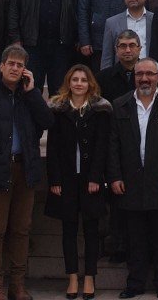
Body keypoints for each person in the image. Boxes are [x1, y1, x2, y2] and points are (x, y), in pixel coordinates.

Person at [0, 45, 54, 300]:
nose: (15, 68)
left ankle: (17, 284)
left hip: (25, 169)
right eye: (11, 64)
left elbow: (48, 122)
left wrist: (33, 92)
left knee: (21, 229)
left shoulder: (29, 95)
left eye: (20, 65)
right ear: (1, 66)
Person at [108, 58, 158, 300]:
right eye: (140, 74)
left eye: (150, 74)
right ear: (134, 77)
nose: (144, 78)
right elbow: (112, 145)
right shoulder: (120, 105)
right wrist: (114, 176)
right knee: (135, 239)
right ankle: (135, 284)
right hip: (130, 183)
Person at [46, 65, 112, 300]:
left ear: (90, 83)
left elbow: (102, 147)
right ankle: (72, 276)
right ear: (68, 82)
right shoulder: (58, 109)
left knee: (92, 229)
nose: (79, 83)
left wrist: (96, 177)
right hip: (65, 179)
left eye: (83, 80)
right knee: (69, 229)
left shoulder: (100, 109)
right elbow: (52, 147)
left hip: (90, 179)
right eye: (74, 79)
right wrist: (54, 179)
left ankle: (90, 277)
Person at [95, 30, 144, 263]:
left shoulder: (147, 76)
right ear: (115, 50)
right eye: (122, 46)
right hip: (113, 145)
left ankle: (141, 248)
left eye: (132, 45)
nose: (127, 50)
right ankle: (118, 246)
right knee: (116, 199)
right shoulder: (103, 78)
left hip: (142, 144)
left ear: (140, 48)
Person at [101, 0, 154, 69]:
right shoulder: (112, 23)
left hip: (149, 75)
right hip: (121, 77)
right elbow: (107, 57)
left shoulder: (154, 20)